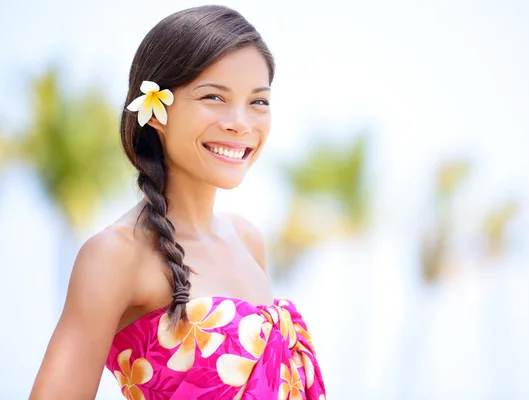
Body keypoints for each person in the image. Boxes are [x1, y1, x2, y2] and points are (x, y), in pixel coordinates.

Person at [30, 5, 326, 400]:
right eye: (214, 97)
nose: (240, 122)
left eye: (258, 101)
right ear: (154, 111)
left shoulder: (248, 240)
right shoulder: (114, 255)